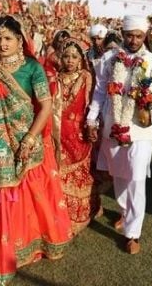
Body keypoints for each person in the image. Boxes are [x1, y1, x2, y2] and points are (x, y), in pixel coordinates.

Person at [0, 15, 72, 285]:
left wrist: (30, 138)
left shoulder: (33, 68)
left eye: (8, 38)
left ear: (20, 40)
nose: (2, 43)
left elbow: (44, 106)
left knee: (29, 195)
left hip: (23, 139)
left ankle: (26, 243)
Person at [86, 15, 152, 254]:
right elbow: (100, 92)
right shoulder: (109, 59)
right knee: (119, 175)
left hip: (140, 130)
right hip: (113, 125)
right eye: (129, 35)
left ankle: (133, 233)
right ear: (122, 34)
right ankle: (125, 211)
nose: (133, 40)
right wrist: (92, 118)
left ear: (145, 36)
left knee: (136, 178)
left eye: (138, 36)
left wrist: (149, 100)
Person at [51, 37, 100, 234]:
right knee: (58, 175)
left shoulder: (86, 77)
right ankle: (63, 215)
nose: (70, 60)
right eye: (66, 56)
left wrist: (91, 126)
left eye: (74, 56)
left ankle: (83, 212)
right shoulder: (54, 77)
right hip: (57, 133)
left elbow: (91, 106)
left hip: (78, 135)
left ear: (81, 58)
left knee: (80, 175)